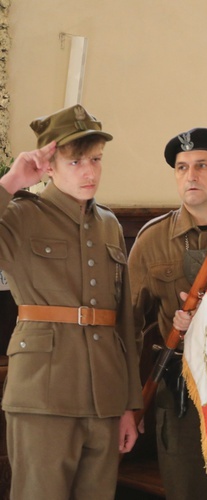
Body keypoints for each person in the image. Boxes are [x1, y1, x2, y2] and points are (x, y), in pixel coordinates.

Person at [0, 105, 142, 498]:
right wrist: (11, 181)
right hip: (44, 394)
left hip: (105, 400)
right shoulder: (20, 215)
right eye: (75, 160)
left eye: (95, 159)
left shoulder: (109, 225)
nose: (89, 171)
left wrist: (128, 404)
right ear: (47, 164)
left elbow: (124, 322)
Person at [128, 128, 207, 499]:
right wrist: (128, 402)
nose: (190, 175)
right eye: (181, 167)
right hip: (181, 392)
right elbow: (128, 328)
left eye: (201, 165)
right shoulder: (153, 240)